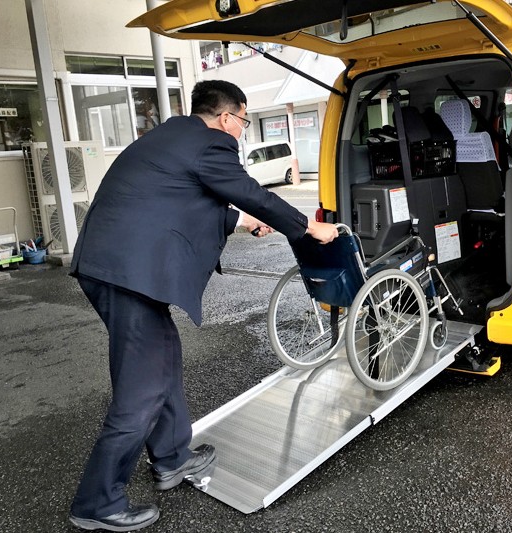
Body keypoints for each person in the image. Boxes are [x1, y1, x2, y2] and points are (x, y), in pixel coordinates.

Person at [68, 80, 338, 531]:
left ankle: (173, 457)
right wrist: (309, 228)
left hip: (115, 266)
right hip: (127, 274)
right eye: (244, 121)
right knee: (142, 388)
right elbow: (249, 191)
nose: (241, 131)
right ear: (228, 117)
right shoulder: (212, 143)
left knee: (163, 359)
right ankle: (97, 501)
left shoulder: (173, 135)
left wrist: (242, 221)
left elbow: (177, 196)